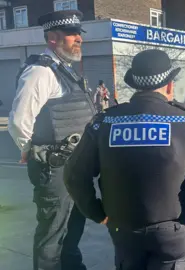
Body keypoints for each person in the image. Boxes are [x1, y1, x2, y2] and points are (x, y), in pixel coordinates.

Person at [63, 49, 185, 270]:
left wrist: (97, 213)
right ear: (169, 85)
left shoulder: (105, 122)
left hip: (123, 229)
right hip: (175, 231)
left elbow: (74, 173)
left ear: (135, 84)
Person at [8, 10, 94, 270]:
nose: (78, 38)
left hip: (74, 168)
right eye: (72, 35)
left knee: (73, 228)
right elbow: (19, 120)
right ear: (52, 38)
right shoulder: (40, 72)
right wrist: (30, 150)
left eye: (79, 34)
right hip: (54, 168)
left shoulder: (64, 70)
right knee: (53, 234)